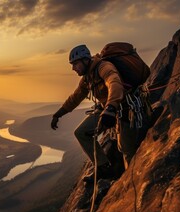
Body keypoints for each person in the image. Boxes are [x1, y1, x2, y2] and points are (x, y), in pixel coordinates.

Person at [51, 44, 140, 180]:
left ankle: (131, 180)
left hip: (124, 107)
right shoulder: (87, 78)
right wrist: (58, 114)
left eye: (75, 64)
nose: (73, 68)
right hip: (107, 109)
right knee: (81, 132)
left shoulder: (104, 67)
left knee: (126, 149)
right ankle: (103, 167)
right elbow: (75, 98)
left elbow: (114, 82)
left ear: (86, 60)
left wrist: (111, 107)